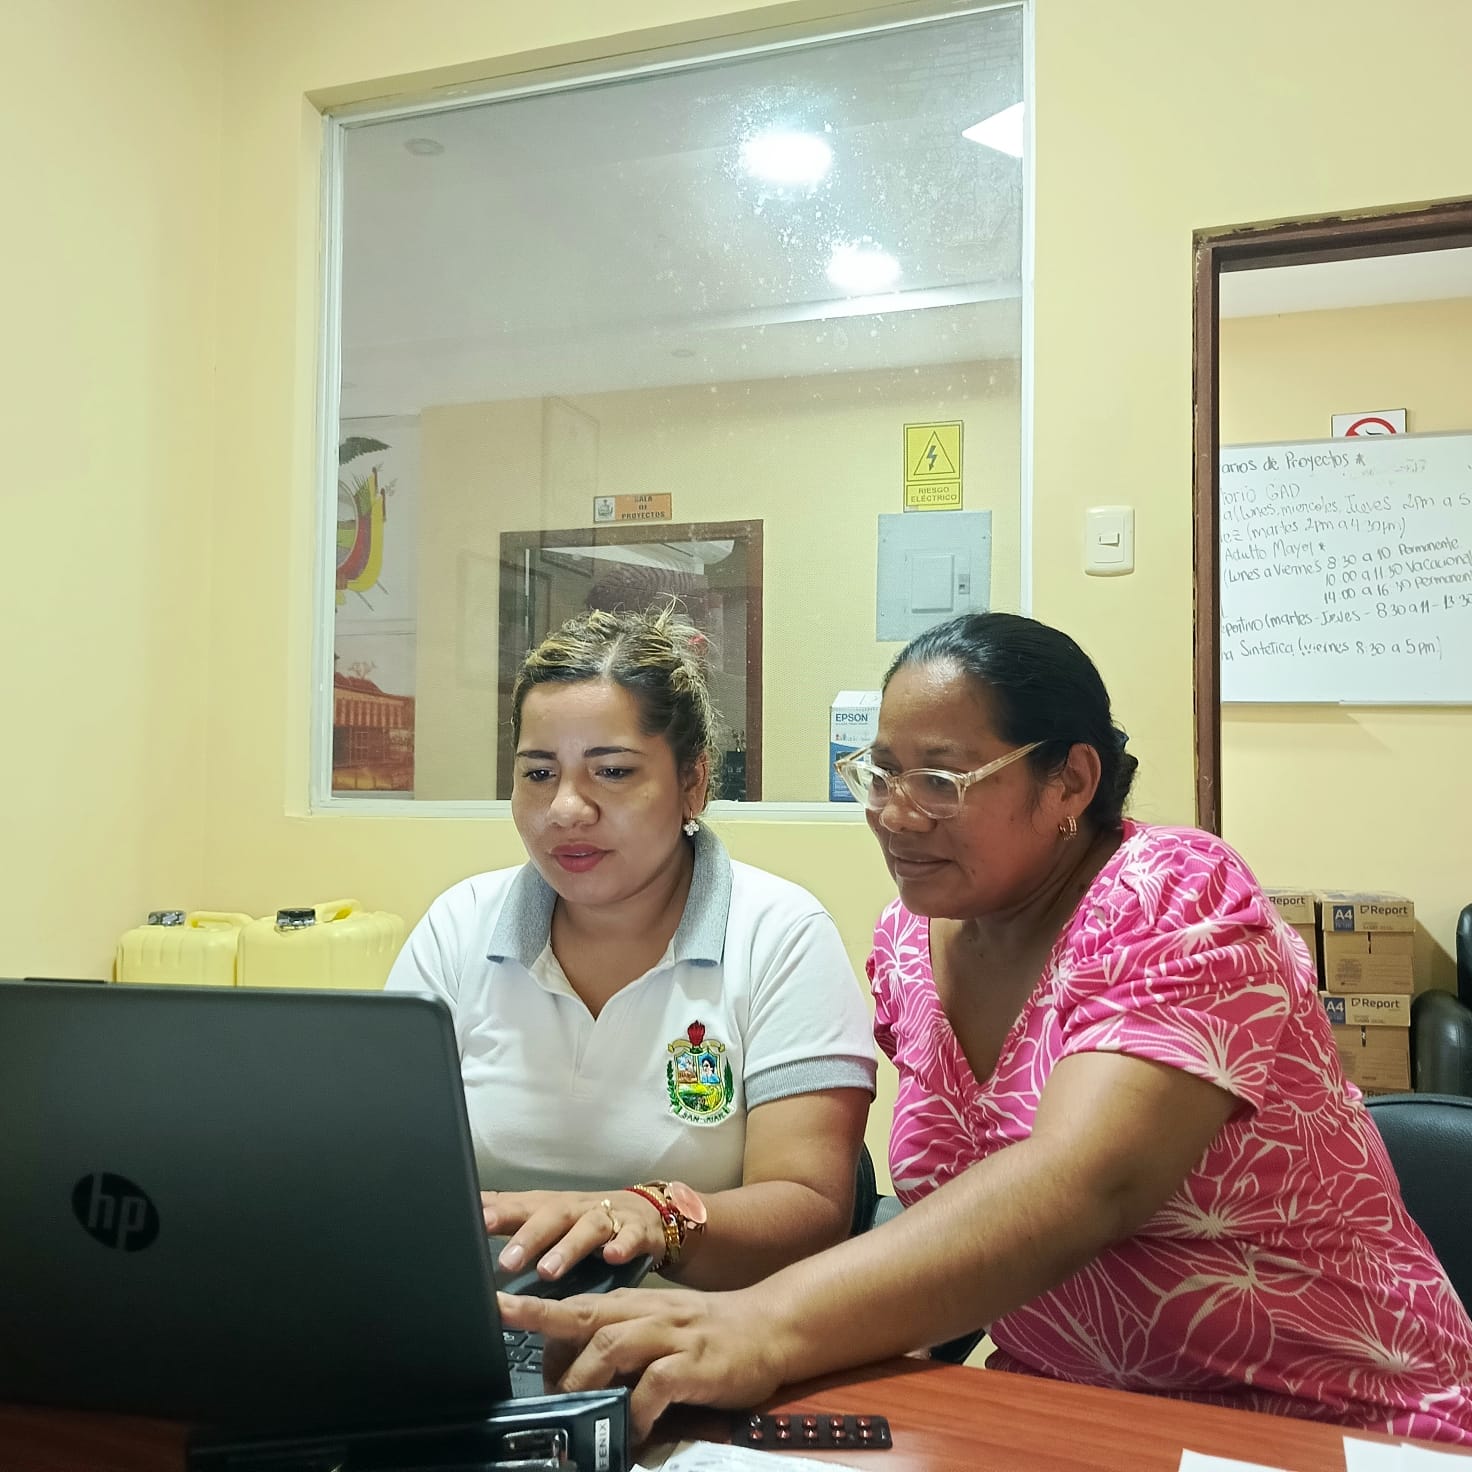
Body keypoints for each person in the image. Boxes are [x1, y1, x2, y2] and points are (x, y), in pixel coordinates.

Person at [503, 611, 1472, 1444]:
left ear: (1070, 782)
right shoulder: (908, 943)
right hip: (1062, 1413)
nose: (893, 814)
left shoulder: (1173, 896)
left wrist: (763, 1325)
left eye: (940, 779)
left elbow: (1081, 1184)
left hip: (1322, 1417)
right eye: (879, 773)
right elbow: (950, 1238)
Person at [386, 605, 876, 1290]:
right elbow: (382, 1165)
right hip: (483, 1325)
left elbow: (812, 1207)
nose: (566, 809)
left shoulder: (779, 934)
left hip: (695, 1330)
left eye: (612, 771)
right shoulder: (458, 926)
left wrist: (655, 1217)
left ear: (692, 782)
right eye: (538, 774)